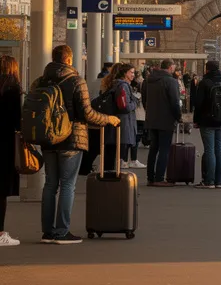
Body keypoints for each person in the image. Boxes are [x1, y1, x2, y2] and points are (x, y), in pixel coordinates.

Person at [37, 45, 118, 244]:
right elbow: (87, 114)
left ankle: (48, 232)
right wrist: (108, 119)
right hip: (70, 140)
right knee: (67, 185)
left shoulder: (39, 81)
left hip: (48, 139)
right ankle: (62, 231)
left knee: (49, 184)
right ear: (69, 60)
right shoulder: (75, 80)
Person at [192, 61, 221, 188]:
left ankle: (209, 181)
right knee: (219, 150)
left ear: (207, 69)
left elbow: (198, 104)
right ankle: (218, 182)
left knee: (209, 150)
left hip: (207, 121)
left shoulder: (204, 83)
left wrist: (196, 120)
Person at [142, 58, 182, 186]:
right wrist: (178, 117)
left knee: (153, 148)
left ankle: (151, 177)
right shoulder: (171, 82)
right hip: (166, 120)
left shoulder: (148, 81)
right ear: (170, 67)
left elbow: (144, 100)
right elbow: (175, 102)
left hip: (151, 119)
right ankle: (159, 178)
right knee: (164, 149)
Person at [100, 63, 143, 169]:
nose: (133, 75)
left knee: (111, 153)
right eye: (131, 72)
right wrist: (135, 102)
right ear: (125, 73)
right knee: (118, 152)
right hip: (123, 123)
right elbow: (124, 106)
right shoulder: (123, 86)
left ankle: (109, 174)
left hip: (115, 121)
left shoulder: (114, 84)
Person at [0, 55, 23, 246]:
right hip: (5, 144)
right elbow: (17, 121)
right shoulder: (12, 88)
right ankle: (0, 233)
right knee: (1, 191)